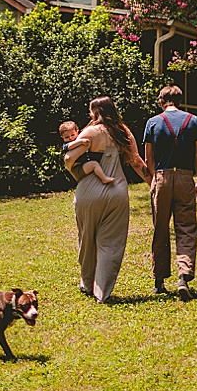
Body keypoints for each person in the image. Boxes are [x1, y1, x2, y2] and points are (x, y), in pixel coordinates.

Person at [66, 96, 150, 303]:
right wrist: (153, 183)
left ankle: (86, 283)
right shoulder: (124, 132)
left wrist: (74, 170)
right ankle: (102, 291)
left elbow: (69, 159)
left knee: (87, 238)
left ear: (95, 112)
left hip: (89, 191)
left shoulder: (90, 132)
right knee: (111, 243)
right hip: (117, 190)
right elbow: (137, 162)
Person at [142, 84, 197, 301]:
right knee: (186, 226)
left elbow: (148, 157)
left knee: (160, 228)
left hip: (162, 177)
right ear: (180, 100)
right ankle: (183, 276)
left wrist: (154, 180)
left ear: (161, 101)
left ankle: (159, 281)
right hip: (185, 176)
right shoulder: (193, 121)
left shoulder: (153, 122)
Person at [60, 120, 114, 184]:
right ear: (62, 137)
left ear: (77, 132)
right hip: (77, 169)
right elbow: (70, 146)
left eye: (72, 135)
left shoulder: (79, 137)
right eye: (67, 137)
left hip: (82, 165)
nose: (70, 138)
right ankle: (104, 178)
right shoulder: (66, 145)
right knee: (94, 164)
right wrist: (81, 141)